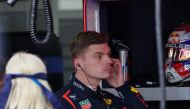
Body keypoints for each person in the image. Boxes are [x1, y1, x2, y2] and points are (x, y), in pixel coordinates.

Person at [56, 31, 149, 109]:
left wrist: (122, 87)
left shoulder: (108, 99)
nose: (109, 60)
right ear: (78, 64)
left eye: (108, 55)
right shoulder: (60, 101)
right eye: (99, 56)